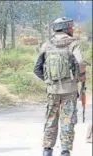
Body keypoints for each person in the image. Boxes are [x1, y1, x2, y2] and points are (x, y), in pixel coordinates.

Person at [34, 17, 86, 156]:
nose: (72, 29)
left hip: (52, 91)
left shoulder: (47, 44)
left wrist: (50, 81)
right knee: (67, 120)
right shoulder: (73, 43)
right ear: (65, 28)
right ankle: (65, 151)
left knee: (51, 119)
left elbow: (37, 69)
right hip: (69, 91)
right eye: (70, 27)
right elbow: (80, 62)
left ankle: (47, 150)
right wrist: (81, 76)